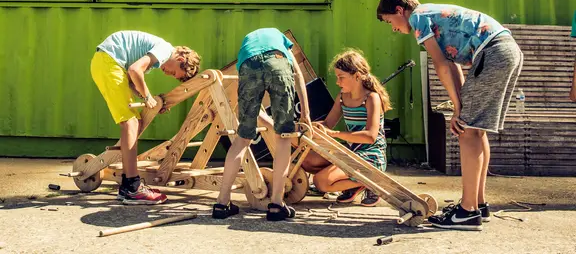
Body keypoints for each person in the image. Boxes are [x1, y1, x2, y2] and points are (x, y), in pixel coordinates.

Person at [376, 0, 523, 231]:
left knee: (467, 130)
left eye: (390, 21)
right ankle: (478, 204)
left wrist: (458, 110)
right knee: (475, 129)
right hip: (506, 50)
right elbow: (452, 65)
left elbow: (441, 64)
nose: (393, 28)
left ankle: (467, 212)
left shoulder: (419, 19)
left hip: (494, 52)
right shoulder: (430, 14)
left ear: (400, 10)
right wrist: (461, 104)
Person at [212, 28, 312, 221]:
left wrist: (264, 121)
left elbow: (252, 102)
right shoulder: (281, 42)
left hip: (248, 68)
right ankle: (276, 204)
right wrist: (306, 114)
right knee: (284, 138)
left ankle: (221, 203)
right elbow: (298, 75)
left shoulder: (248, 45)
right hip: (278, 64)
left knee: (242, 139)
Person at [91, 30, 201, 204]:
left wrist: (150, 101)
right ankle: (132, 187)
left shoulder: (157, 54)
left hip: (108, 63)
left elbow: (129, 78)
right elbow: (135, 70)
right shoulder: (165, 50)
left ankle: (129, 186)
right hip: (109, 63)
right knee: (130, 123)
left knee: (135, 122)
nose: (167, 74)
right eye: (173, 73)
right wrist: (148, 97)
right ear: (179, 59)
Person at [301, 49, 391, 207]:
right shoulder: (343, 96)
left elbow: (370, 136)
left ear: (357, 76)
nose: (338, 82)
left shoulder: (371, 98)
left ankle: (370, 183)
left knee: (321, 182)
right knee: (307, 161)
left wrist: (335, 134)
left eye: (341, 77)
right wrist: (309, 126)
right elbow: (328, 124)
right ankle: (354, 183)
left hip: (371, 157)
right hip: (352, 153)